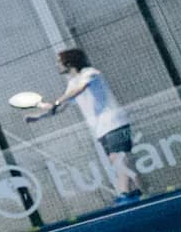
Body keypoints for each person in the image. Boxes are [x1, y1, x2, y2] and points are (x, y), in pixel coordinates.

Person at [28, 47, 142, 205]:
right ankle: (137, 192)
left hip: (115, 122)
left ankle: (125, 193)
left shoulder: (90, 72)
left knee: (118, 159)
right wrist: (39, 115)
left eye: (59, 62)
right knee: (117, 160)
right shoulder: (71, 84)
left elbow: (79, 89)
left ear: (69, 63)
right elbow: (60, 107)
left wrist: (57, 101)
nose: (57, 65)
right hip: (101, 129)